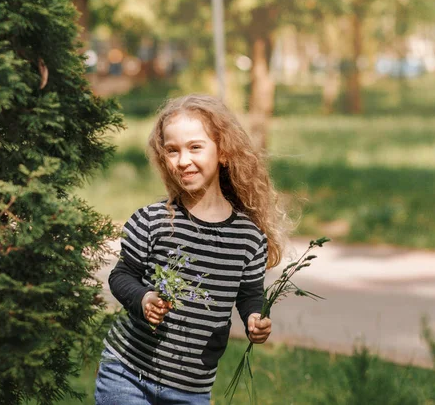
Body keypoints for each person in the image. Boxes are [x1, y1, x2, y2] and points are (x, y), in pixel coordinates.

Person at [94, 94, 292, 404]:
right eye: (172, 151)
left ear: (223, 152)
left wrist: (255, 318)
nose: (183, 160)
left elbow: (249, 293)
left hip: (191, 390)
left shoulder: (249, 237)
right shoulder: (152, 220)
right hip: (128, 373)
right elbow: (121, 276)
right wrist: (144, 298)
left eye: (195, 147)